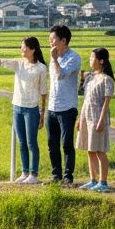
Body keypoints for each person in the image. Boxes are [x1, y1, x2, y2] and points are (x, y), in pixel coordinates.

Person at [0, 37, 48, 184]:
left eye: (24, 48)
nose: (22, 50)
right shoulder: (18, 64)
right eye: (21, 47)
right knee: (22, 142)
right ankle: (25, 172)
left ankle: (34, 174)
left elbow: (43, 92)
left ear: (33, 49)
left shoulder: (41, 68)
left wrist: (42, 113)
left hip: (32, 109)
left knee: (32, 143)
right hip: (17, 107)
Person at [46, 25, 82, 185]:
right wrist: (54, 59)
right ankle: (56, 176)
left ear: (63, 40)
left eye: (53, 40)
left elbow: (61, 76)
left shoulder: (73, 57)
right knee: (52, 144)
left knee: (66, 143)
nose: (50, 43)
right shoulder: (54, 58)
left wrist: (54, 59)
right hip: (52, 106)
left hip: (67, 108)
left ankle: (68, 177)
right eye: (49, 40)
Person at [76, 48, 115, 192]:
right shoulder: (91, 78)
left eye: (92, 58)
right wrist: (80, 118)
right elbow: (86, 100)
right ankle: (93, 180)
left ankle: (103, 182)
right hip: (87, 116)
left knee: (100, 151)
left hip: (98, 117)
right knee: (89, 149)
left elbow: (106, 102)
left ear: (101, 61)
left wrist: (101, 120)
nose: (90, 60)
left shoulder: (107, 80)